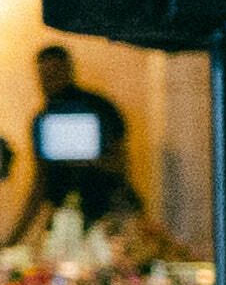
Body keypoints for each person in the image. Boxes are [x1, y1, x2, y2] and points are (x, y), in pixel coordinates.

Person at [22, 46, 142, 226]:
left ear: (68, 70)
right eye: (44, 75)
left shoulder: (100, 109)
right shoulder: (42, 120)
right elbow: (41, 181)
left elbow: (120, 164)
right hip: (67, 216)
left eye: (55, 73)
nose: (49, 81)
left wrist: (90, 161)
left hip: (106, 211)